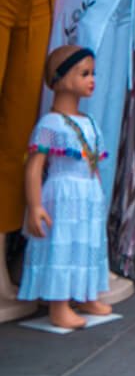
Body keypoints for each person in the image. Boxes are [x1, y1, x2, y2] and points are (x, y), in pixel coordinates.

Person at [19, 46, 113, 331]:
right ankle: (59, 305)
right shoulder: (51, 123)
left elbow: (94, 164)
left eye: (93, 73)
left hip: (87, 194)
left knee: (87, 243)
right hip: (61, 194)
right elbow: (34, 166)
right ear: (60, 79)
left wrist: (98, 195)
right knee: (62, 245)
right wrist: (35, 206)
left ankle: (86, 294)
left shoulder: (91, 122)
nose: (91, 79)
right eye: (84, 73)